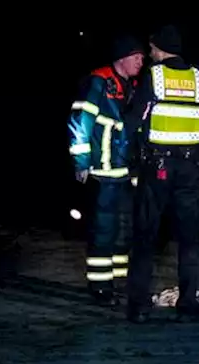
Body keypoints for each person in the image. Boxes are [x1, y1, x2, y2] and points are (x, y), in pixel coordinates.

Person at [124, 24, 199, 323]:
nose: (149, 53)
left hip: (158, 167)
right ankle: (188, 303)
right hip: (190, 169)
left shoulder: (154, 76)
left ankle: (139, 307)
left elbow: (132, 121)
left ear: (160, 48)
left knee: (145, 237)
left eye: (151, 48)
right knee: (189, 240)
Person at [67, 36, 145, 306]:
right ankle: (100, 288)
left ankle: (119, 284)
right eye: (136, 56)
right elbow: (80, 121)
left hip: (125, 172)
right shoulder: (98, 81)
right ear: (122, 57)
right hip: (103, 172)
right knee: (104, 231)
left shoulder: (133, 85)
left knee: (125, 231)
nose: (141, 61)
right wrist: (82, 161)